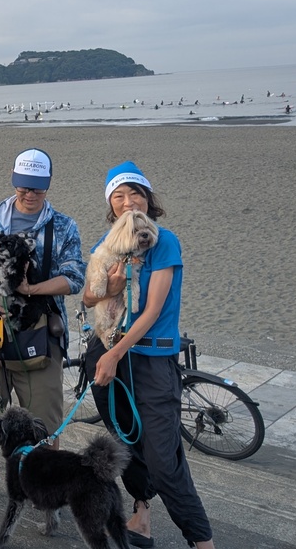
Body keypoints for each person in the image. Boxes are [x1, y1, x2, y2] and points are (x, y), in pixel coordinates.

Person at [83, 161, 216, 549]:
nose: (127, 202)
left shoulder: (162, 241)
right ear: (111, 205)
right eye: (119, 196)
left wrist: (114, 354)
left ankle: (201, 539)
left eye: (135, 194)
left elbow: (153, 308)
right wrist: (110, 286)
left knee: (163, 456)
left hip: (150, 359)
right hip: (106, 352)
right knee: (124, 440)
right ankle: (141, 515)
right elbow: (89, 297)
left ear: (148, 201)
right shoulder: (105, 246)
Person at [0, 148, 85, 491]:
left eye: (36, 189)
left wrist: (31, 288)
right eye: (23, 187)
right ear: (14, 182)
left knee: (44, 421)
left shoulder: (62, 225)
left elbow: (74, 277)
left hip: (39, 334)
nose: (28, 195)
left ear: (47, 186)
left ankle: (43, 483)